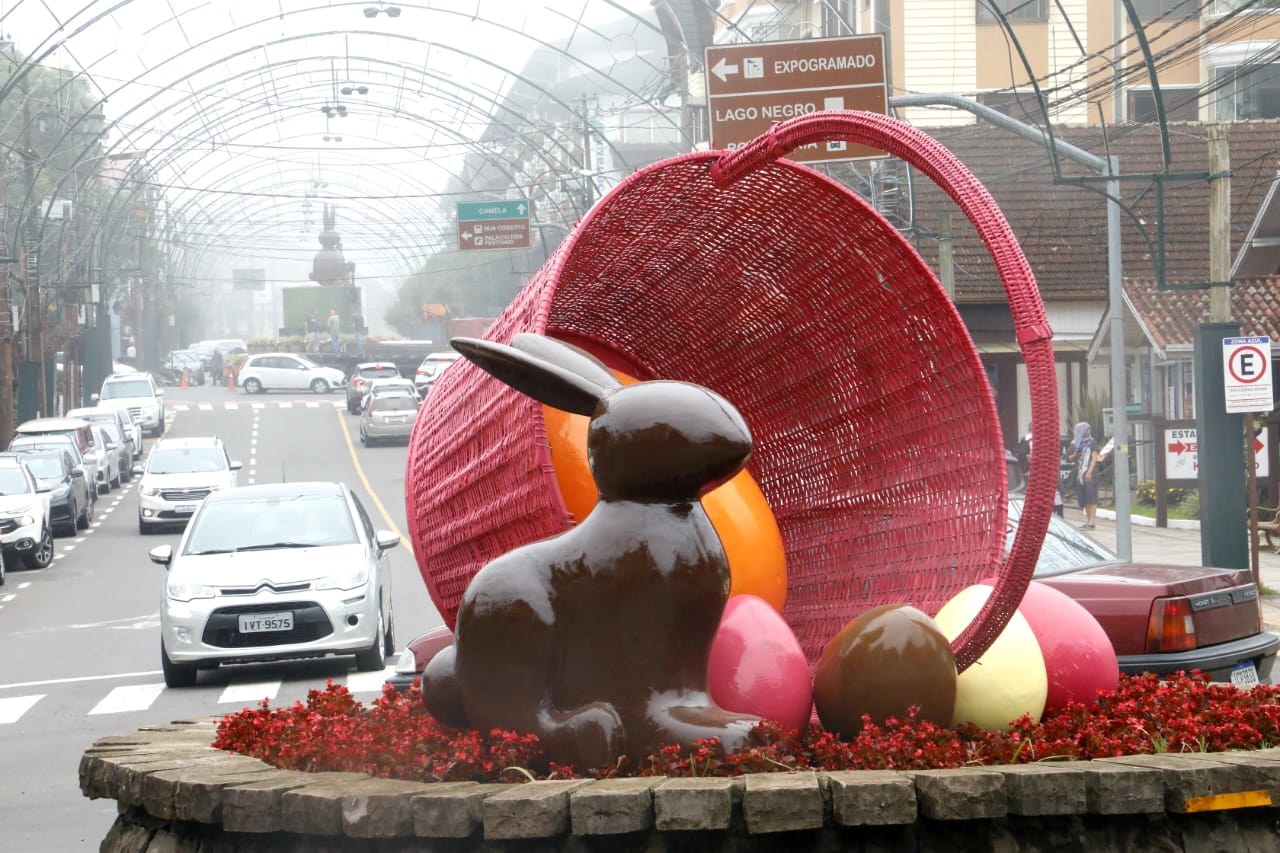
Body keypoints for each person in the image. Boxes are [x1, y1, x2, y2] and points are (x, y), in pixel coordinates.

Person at [1068, 421, 1099, 530]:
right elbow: (1069, 459)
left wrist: (1089, 472)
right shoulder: (1075, 443)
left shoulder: (1092, 442)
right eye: (1085, 430)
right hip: (1079, 475)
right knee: (1084, 498)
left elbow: (1094, 457)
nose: (1087, 432)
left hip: (1089, 474)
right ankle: (1088, 521)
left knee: (1091, 497)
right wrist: (1075, 454)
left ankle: (1092, 522)